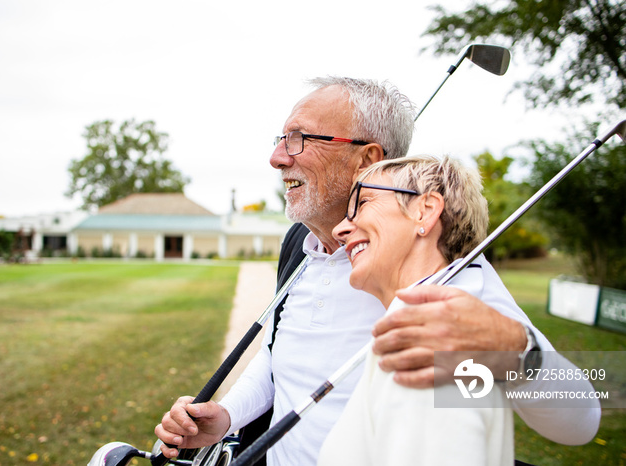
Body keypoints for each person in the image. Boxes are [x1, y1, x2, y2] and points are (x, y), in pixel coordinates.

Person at [155, 77, 600, 466]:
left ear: (367, 159)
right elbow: (281, 352)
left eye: (298, 139)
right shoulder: (297, 243)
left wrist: (513, 350)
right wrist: (230, 414)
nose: (276, 157)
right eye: (279, 138)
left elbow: (580, 416)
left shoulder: (450, 282)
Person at [320, 155, 515, 465]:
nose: (340, 229)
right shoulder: (430, 329)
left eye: (363, 202)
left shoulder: (431, 348)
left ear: (424, 211)